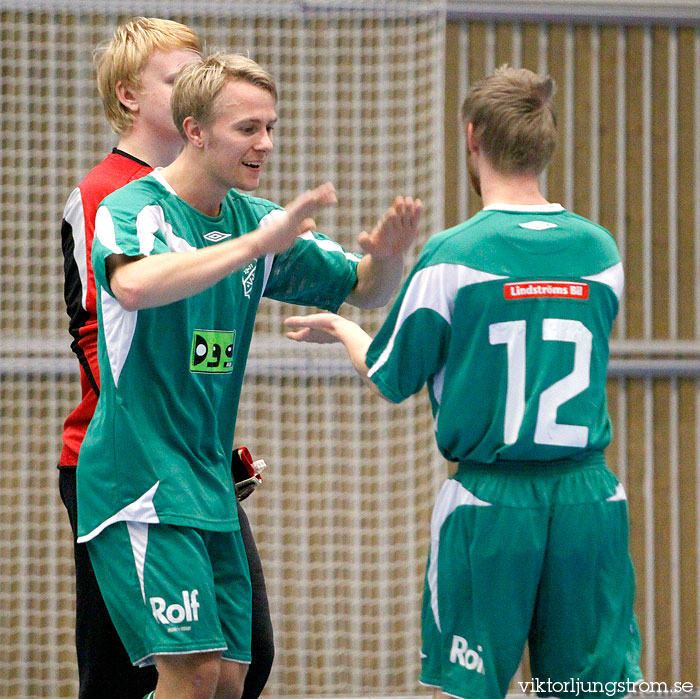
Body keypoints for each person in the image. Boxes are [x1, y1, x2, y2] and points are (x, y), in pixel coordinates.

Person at [285, 66, 643, 699]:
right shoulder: (602, 253)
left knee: (466, 689)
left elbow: (391, 376)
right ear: (546, 141)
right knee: (596, 690)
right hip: (591, 500)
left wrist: (341, 329)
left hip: (491, 503)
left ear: (471, 136)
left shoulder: (453, 257)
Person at [74, 52, 421, 699]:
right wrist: (256, 246)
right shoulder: (136, 210)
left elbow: (365, 290)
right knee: (194, 669)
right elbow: (132, 283)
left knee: (232, 678)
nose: (264, 142)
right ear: (195, 130)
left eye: (271, 126)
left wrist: (390, 258)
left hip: (208, 482)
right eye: (247, 128)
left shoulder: (253, 221)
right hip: (140, 478)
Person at [59, 19, 266, 699]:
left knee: (242, 660)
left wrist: (208, 433)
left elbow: (200, 343)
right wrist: (164, 426)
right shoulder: (106, 196)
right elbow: (102, 333)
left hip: (190, 461)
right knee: (135, 670)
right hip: (125, 463)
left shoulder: (214, 200)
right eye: (180, 81)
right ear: (128, 95)